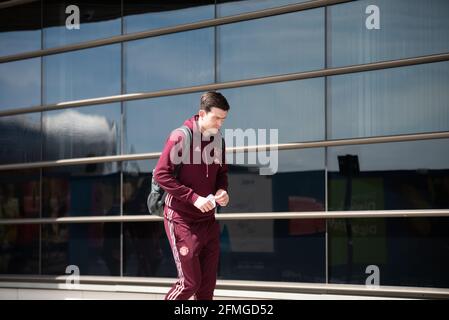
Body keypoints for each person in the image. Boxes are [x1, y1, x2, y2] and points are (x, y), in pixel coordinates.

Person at [154, 91, 230, 300]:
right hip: (181, 219)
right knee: (189, 283)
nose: (220, 123)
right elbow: (161, 174)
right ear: (201, 114)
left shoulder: (218, 141)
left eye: (224, 119)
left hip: (208, 222)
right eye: (216, 118)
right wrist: (194, 198)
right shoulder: (181, 136)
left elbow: (222, 174)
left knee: (206, 290)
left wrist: (222, 191)